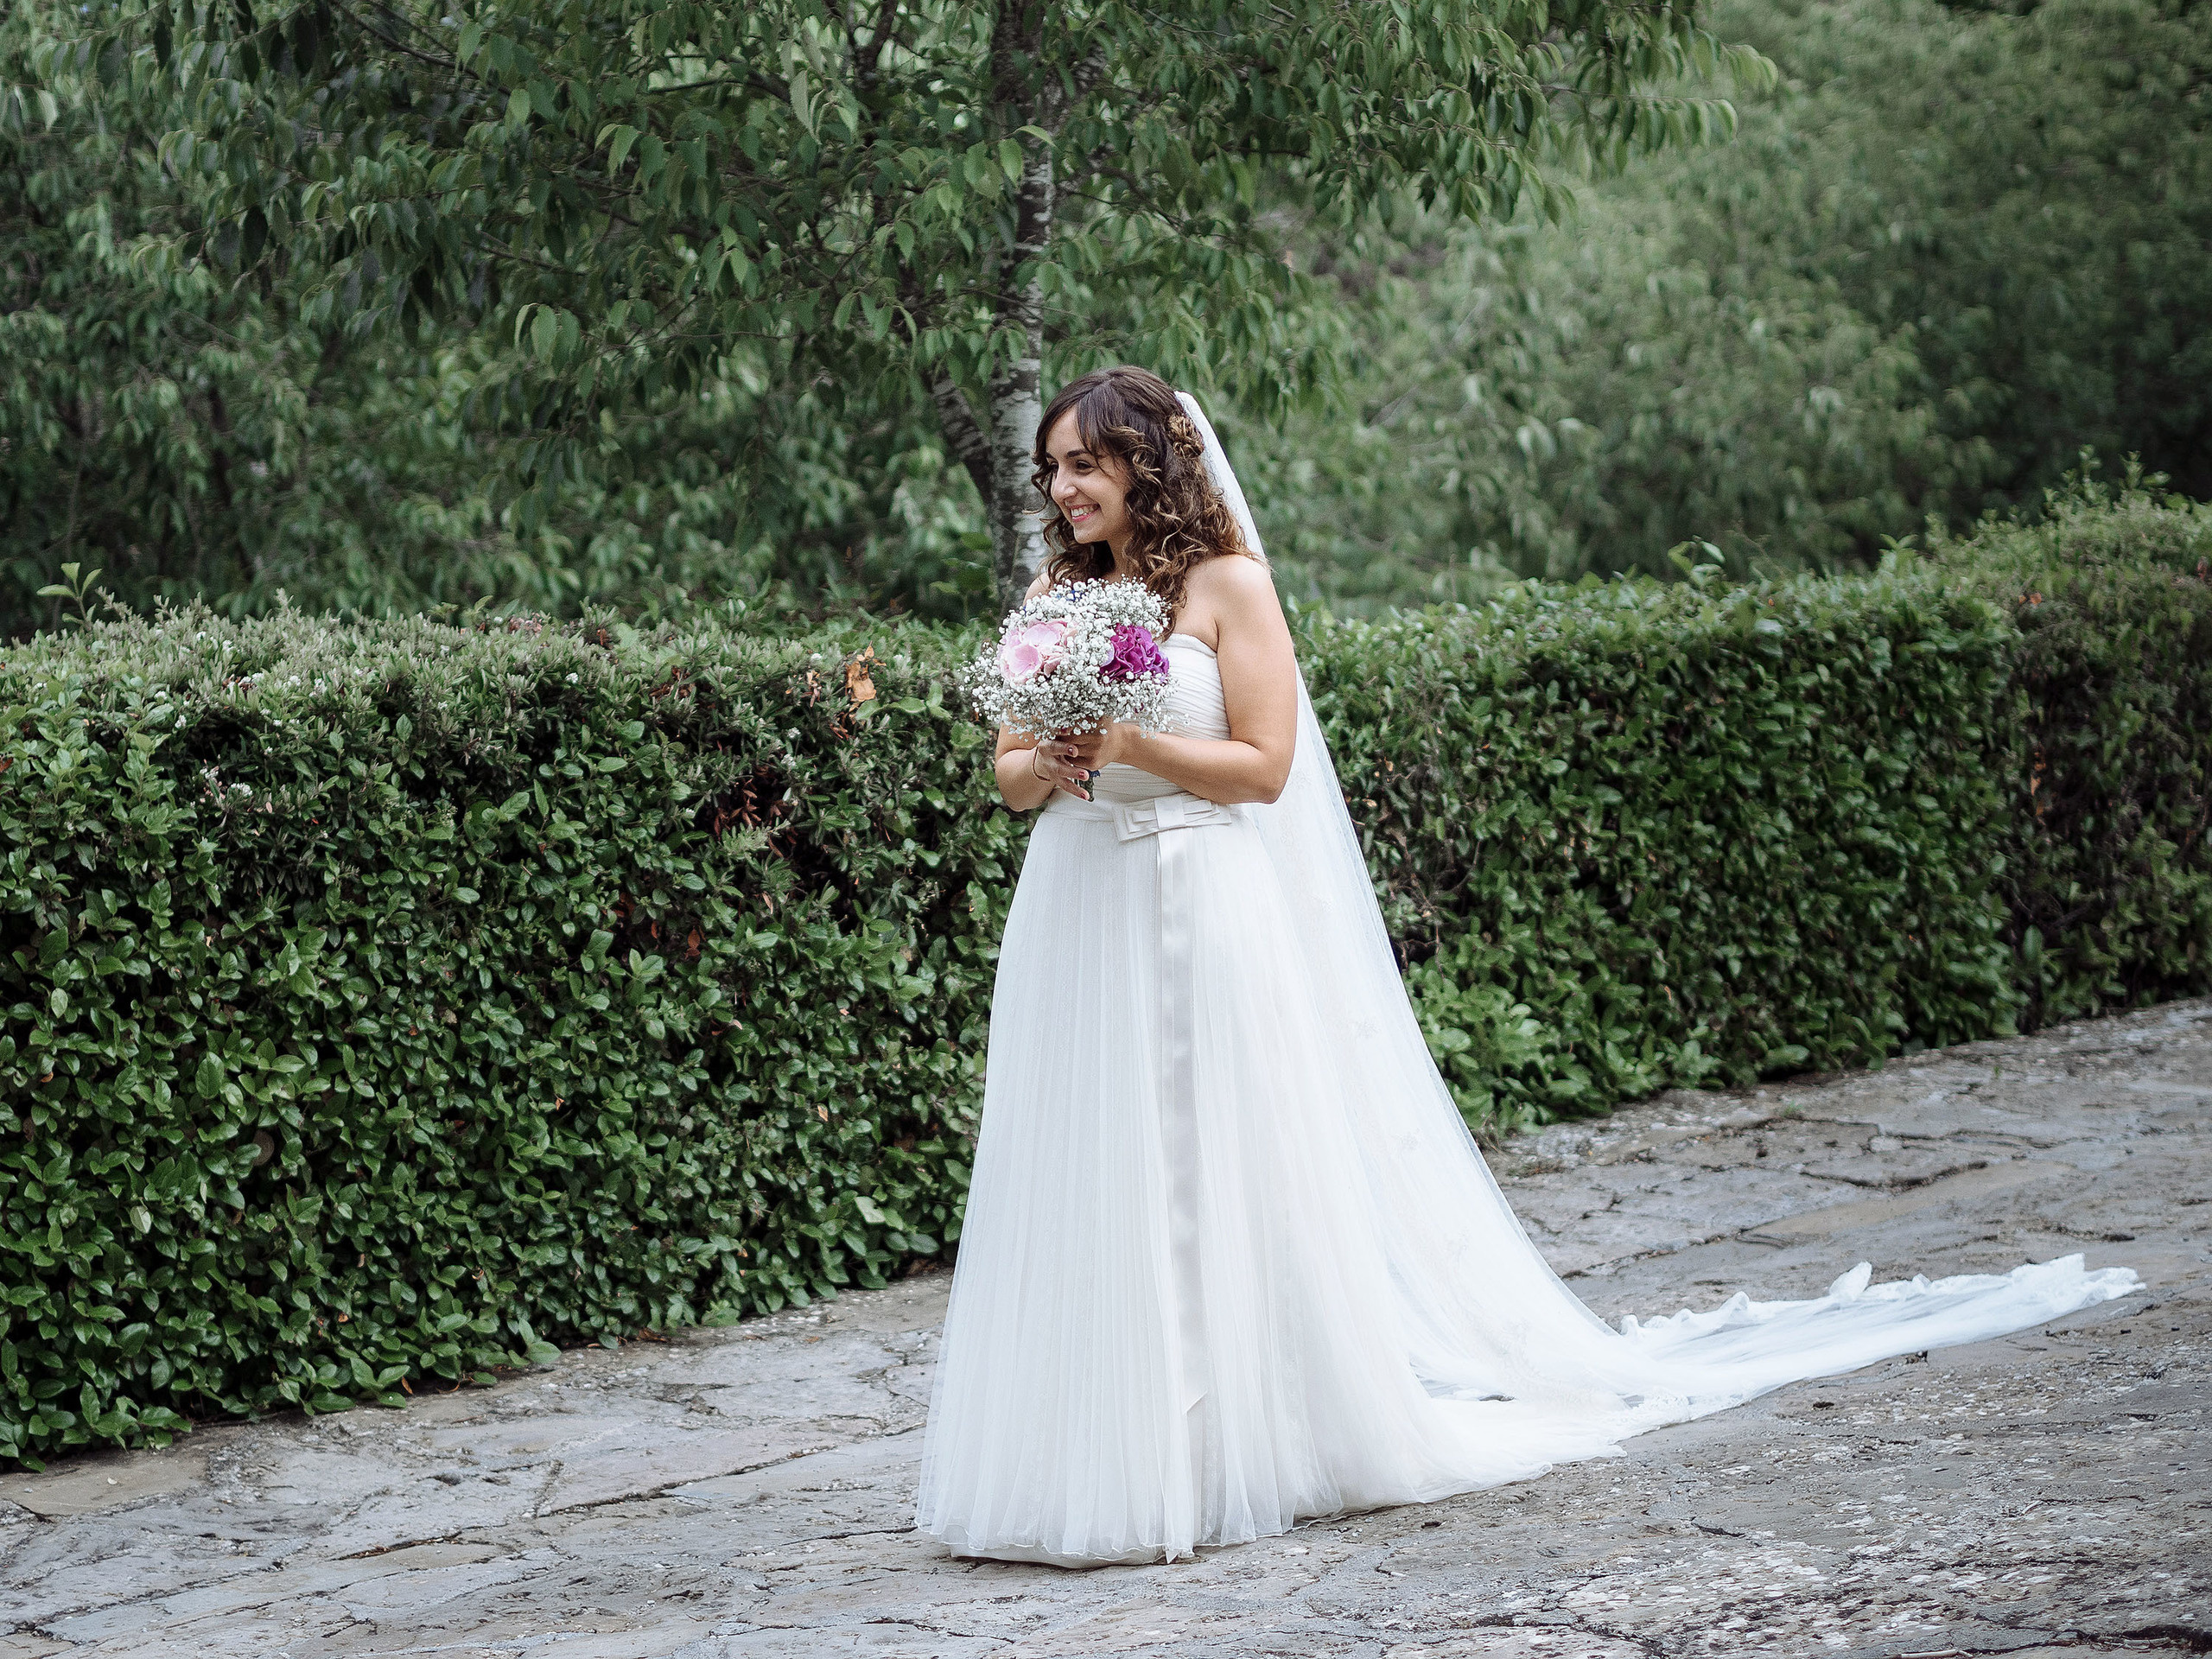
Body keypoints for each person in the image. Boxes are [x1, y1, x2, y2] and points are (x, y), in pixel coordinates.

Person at [912, 365, 2139, 1567]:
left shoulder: (1231, 585)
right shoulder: (1055, 598)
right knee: (1092, 1159)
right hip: (1081, 905)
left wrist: (1131, 741)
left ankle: (1220, 1448)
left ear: (1147, 463)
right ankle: (1088, 1454)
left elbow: (1269, 769)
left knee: (1206, 1159)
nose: (1065, 487)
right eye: (1055, 468)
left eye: (1086, 462)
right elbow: (1011, 773)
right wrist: (1064, 761)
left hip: (1196, 895)